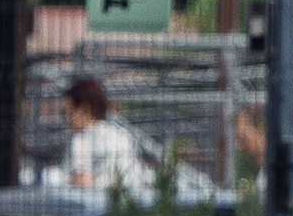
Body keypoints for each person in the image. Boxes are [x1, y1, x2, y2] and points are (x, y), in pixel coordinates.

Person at [60, 77, 212, 202]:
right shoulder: (121, 135)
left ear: (83, 109)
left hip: (97, 212)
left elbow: (83, 185)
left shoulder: (80, 141)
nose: (66, 119)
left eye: (68, 112)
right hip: (132, 203)